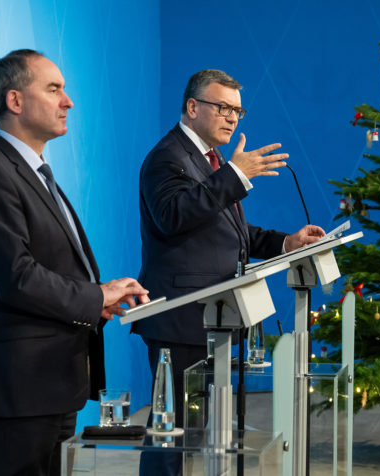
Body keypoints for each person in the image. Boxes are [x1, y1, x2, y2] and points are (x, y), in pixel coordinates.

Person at [0, 49, 149, 476]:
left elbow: (53, 268)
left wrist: (95, 300)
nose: (69, 101)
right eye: (54, 88)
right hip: (15, 392)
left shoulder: (37, 174)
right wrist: (95, 294)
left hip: (53, 385)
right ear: (15, 101)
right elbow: (16, 276)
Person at [132, 69, 325, 475]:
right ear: (192, 107)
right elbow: (173, 217)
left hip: (212, 317)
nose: (233, 117)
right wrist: (234, 175)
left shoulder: (211, 161)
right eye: (223, 107)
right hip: (179, 318)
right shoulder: (167, 158)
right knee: (172, 435)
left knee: (194, 435)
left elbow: (230, 234)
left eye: (238, 110)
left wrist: (286, 242)